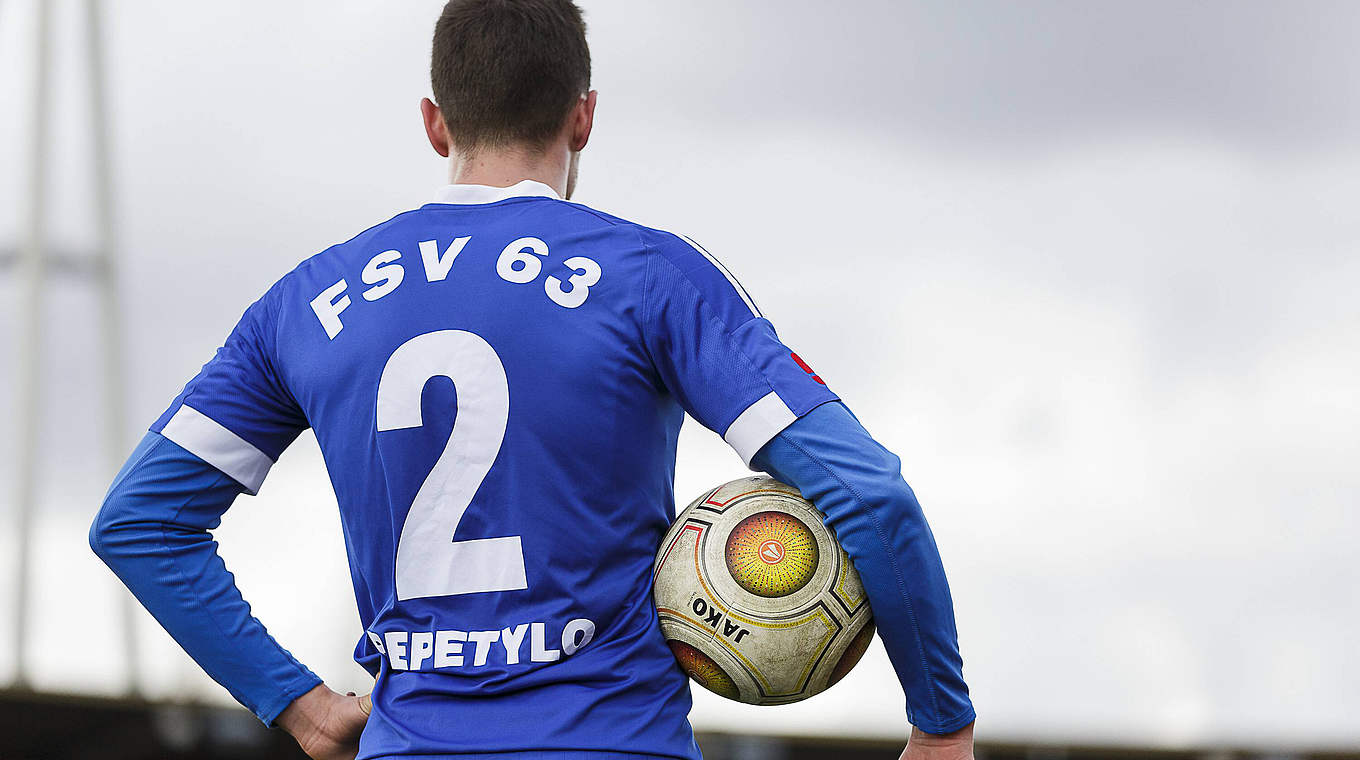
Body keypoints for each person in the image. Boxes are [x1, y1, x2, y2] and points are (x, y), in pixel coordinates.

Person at [89, 1, 976, 758]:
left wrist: (302, 705)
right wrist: (941, 719)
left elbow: (138, 525)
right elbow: (870, 492)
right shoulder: (649, 278)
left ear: (436, 123)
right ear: (583, 117)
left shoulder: (306, 302)